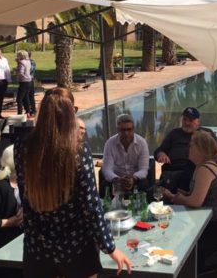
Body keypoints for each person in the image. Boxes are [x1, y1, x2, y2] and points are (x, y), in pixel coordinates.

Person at [15, 89, 131, 278]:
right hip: (76, 248)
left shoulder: (22, 146)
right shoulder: (77, 152)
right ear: (70, 117)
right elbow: (90, 205)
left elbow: (25, 195)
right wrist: (110, 247)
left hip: (37, 249)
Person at [161, 130, 217, 271]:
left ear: (200, 150)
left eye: (191, 146)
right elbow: (196, 195)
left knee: (176, 240)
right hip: (211, 221)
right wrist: (179, 195)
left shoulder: (206, 169)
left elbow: (196, 202)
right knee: (174, 231)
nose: (188, 149)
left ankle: (186, 270)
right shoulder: (201, 166)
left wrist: (179, 199)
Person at [154, 107, 217, 192]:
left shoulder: (204, 135)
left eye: (190, 120)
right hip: (172, 171)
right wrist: (161, 154)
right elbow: (159, 150)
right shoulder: (174, 133)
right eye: (184, 119)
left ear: (198, 122)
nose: (187, 123)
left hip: (195, 173)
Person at [101, 114, 150, 197]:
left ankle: (141, 208)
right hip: (116, 179)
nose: (126, 133)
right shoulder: (110, 143)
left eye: (129, 129)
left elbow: (144, 169)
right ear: (117, 130)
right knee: (105, 185)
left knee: (144, 184)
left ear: (133, 129)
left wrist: (133, 179)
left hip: (135, 179)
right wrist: (117, 179)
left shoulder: (142, 143)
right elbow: (107, 169)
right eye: (123, 130)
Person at [14, 50, 32, 116]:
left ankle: (19, 113)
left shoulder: (21, 62)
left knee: (19, 99)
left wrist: (16, 71)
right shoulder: (28, 61)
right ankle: (28, 111)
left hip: (23, 81)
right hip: (29, 81)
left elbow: (21, 72)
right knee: (26, 97)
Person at [28, 51, 37, 116]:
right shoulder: (23, 62)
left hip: (30, 80)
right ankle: (28, 110)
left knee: (30, 96)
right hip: (24, 81)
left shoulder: (32, 62)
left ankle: (33, 110)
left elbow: (30, 70)